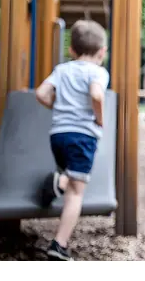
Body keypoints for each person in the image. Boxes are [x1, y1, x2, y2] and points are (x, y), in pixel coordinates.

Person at [35, 19, 110, 261]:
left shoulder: (62, 69)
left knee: (71, 176)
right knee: (76, 193)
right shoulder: (98, 71)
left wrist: (57, 107)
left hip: (58, 135)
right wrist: (100, 119)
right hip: (82, 137)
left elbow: (41, 93)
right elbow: (97, 95)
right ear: (102, 52)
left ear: (72, 50)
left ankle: (60, 180)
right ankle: (59, 244)